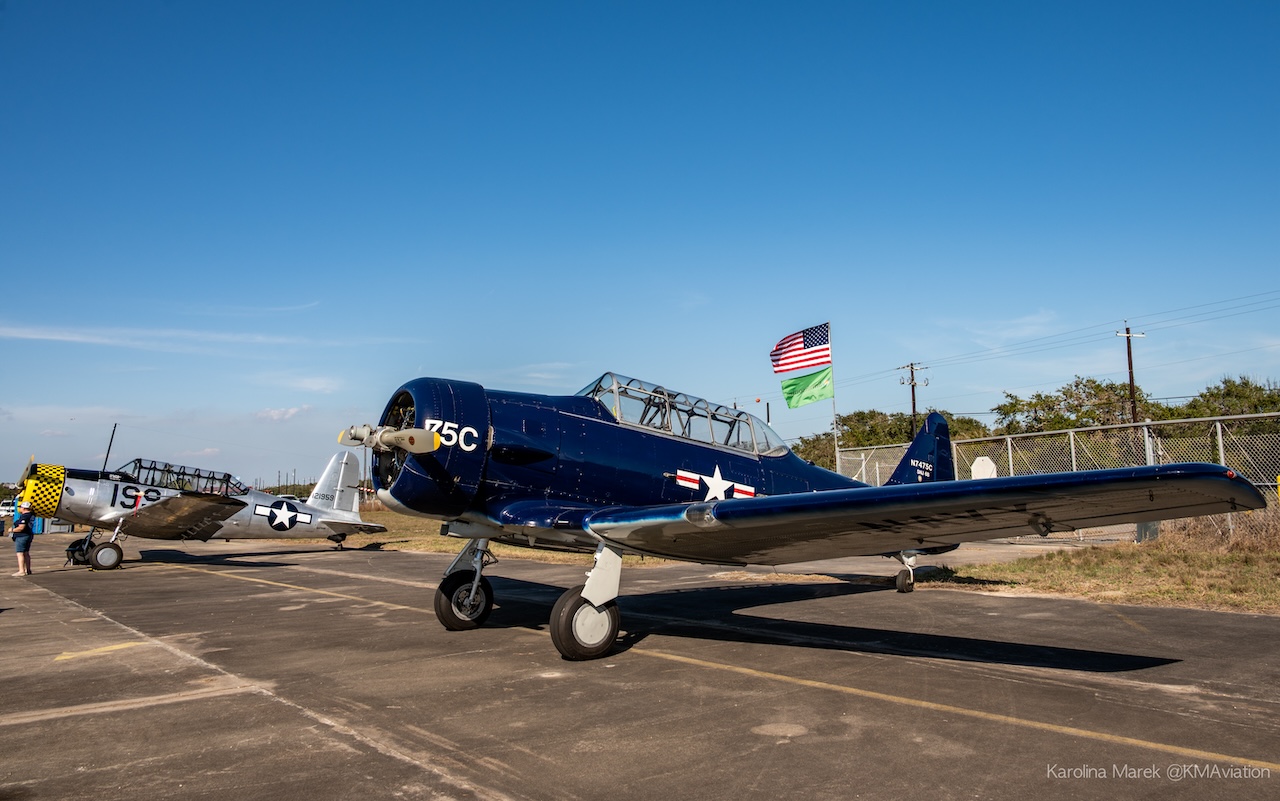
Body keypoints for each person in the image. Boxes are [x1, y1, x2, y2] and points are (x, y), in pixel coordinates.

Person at [12, 500, 35, 576]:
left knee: (20, 553)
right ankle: (28, 569)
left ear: (24, 508)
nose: (20, 509)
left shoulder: (25, 516)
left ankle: (21, 571)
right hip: (28, 535)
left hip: (22, 536)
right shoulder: (31, 515)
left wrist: (12, 530)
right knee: (26, 553)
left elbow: (21, 527)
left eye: (21, 507)